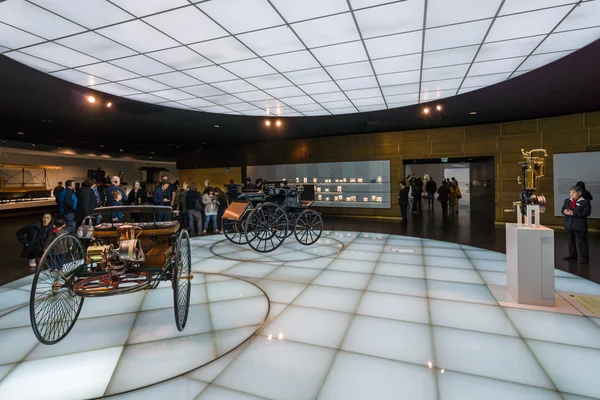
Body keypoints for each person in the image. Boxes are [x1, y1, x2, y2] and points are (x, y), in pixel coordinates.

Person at [562, 185, 591, 264]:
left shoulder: (585, 202)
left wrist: (573, 213)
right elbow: (563, 209)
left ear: (579, 193)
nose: (571, 194)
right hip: (569, 224)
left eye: (573, 193)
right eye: (570, 192)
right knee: (571, 241)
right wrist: (564, 212)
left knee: (581, 242)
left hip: (579, 225)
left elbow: (586, 213)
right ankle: (572, 255)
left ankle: (584, 257)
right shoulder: (567, 201)